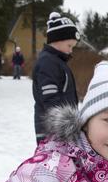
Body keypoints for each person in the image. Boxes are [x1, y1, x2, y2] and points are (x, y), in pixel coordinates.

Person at [32, 12, 80, 144]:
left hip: (62, 129)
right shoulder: (48, 63)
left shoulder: (57, 62)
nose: (71, 51)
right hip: (51, 129)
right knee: (54, 163)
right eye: (69, 46)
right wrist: (63, 126)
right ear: (57, 40)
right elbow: (50, 99)